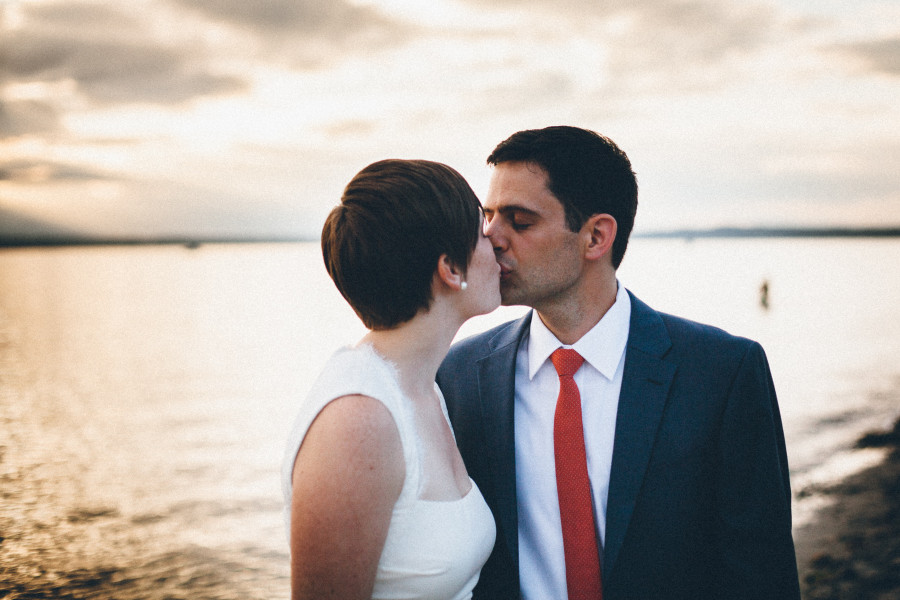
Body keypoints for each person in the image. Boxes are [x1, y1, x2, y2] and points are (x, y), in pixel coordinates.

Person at [437, 126, 800, 600]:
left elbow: (762, 574)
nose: (490, 240)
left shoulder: (723, 373)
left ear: (595, 236)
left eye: (519, 222)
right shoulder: (460, 375)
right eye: (487, 219)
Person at [282, 159, 499, 600]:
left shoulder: (425, 387)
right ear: (450, 270)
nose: (498, 241)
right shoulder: (358, 421)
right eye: (482, 231)